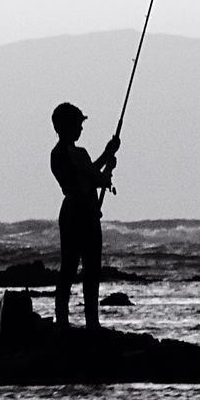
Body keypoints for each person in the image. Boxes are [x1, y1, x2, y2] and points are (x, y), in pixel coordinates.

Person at [50, 102, 120, 331]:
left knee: (68, 268)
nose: (81, 129)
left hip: (68, 210)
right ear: (69, 127)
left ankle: (62, 319)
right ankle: (92, 322)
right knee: (91, 269)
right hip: (85, 214)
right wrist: (109, 162)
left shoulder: (56, 154)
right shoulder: (78, 153)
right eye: (78, 124)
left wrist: (106, 156)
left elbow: (87, 172)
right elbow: (97, 178)